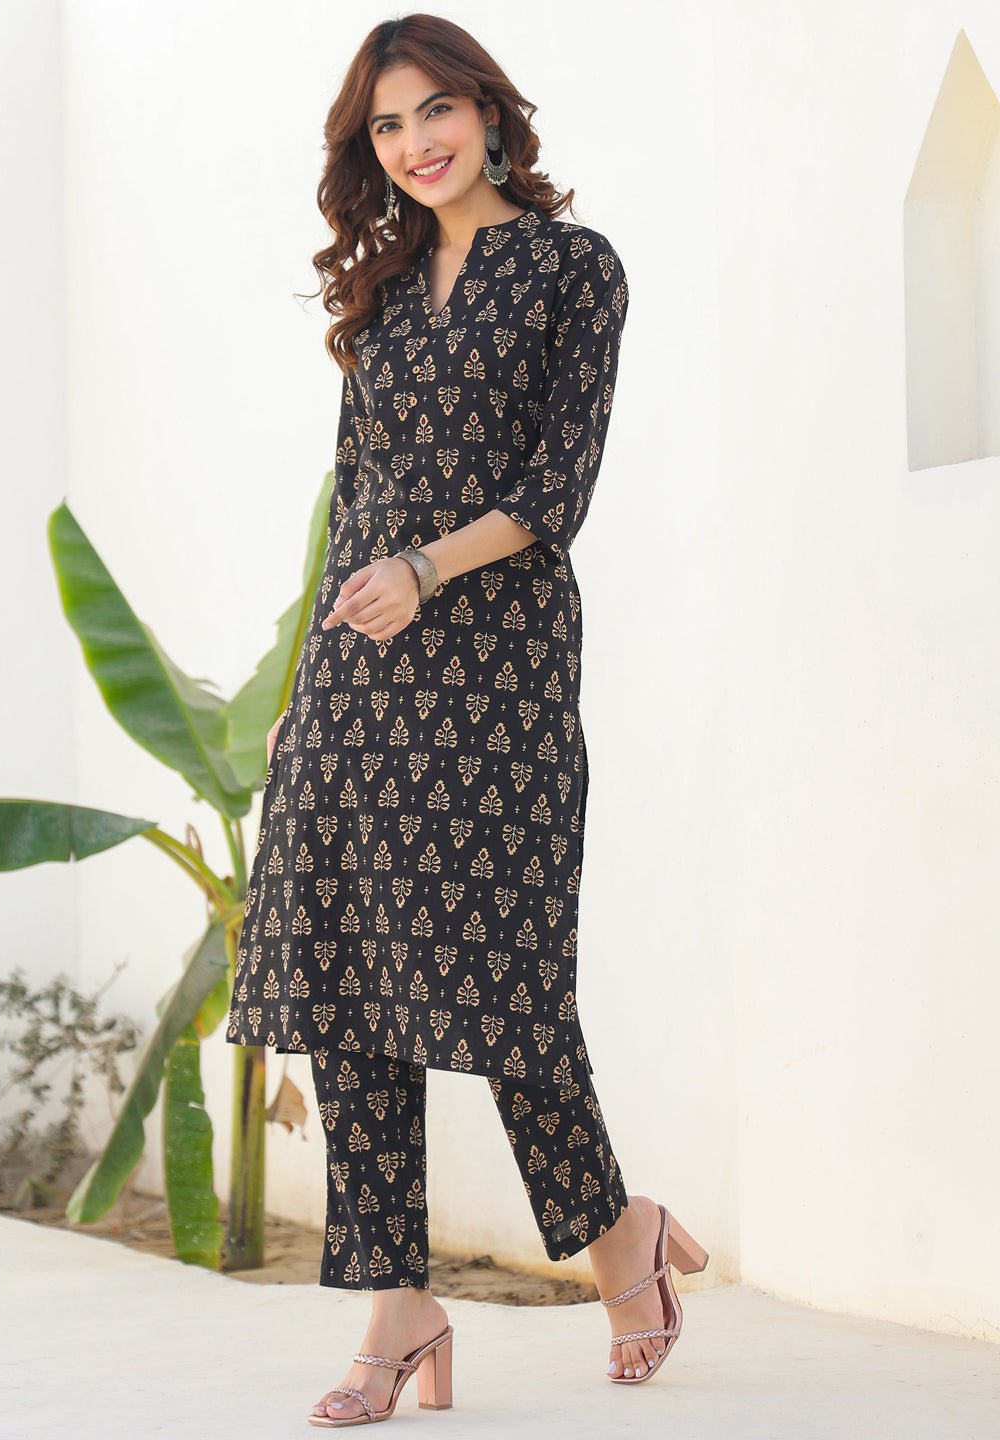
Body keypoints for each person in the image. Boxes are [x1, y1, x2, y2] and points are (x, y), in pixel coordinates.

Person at [225, 13, 709, 1427]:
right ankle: (398, 1306)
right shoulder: (379, 295)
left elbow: (560, 488)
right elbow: (353, 506)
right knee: (343, 981)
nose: (416, 142)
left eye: (436, 109)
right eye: (387, 125)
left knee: (501, 979)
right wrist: (304, 692)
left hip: (496, 666)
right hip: (360, 671)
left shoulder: (573, 267)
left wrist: (429, 571)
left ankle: (619, 1235)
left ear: (490, 112)